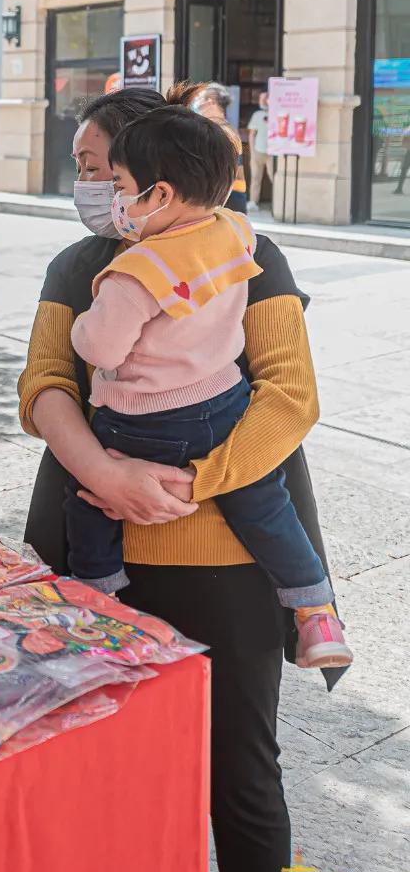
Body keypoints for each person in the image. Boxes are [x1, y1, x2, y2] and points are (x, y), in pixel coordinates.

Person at [19, 85, 341, 872]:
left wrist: (194, 481)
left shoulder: (251, 255)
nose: (93, 187)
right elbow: (45, 384)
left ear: (156, 176)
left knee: (240, 778)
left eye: (101, 168)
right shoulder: (79, 265)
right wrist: (106, 473)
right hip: (97, 557)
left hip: (228, 562)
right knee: (107, 771)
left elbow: (289, 395)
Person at [67, 103, 349, 667]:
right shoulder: (235, 233)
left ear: (161, 194)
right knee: (266, 504)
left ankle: (96, 596)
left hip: (144, 420)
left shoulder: (136, 271)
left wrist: (84, 322)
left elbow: (99, 349)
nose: (107, 193)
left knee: (91, 502)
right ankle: (316, 612)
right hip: (224, 405)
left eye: (115, 181)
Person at [177, 79, 248, 214]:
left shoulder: (223, 131)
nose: (197, 103)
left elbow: (227, 171)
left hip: (228, 196)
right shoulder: (219, 128)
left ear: (211, 102)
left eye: (200, 99)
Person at [247, 91, 272, 208]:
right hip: (258, 149)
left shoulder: (277, 114)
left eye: (265, 98)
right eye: (261, 98)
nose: (262, 101)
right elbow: (252, 134)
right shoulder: (257, 115)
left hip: (273, 152)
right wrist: (252, 153)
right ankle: (253, 202)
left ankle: (278, 202)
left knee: (274, 177)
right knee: (255, 177)